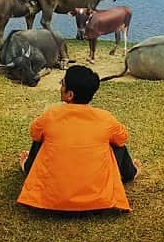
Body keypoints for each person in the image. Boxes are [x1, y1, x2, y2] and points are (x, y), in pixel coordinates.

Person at [17, 65, 140, 212]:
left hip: (50, 200)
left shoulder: (51, 115)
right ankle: (130, 172)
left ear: (70, 95)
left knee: (41, 138)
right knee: (116, 142)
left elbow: (34, 133)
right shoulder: (105, 118)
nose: (60, 86)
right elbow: (122, 139)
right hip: (98, 200)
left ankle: (28, 167)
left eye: (63, 83)